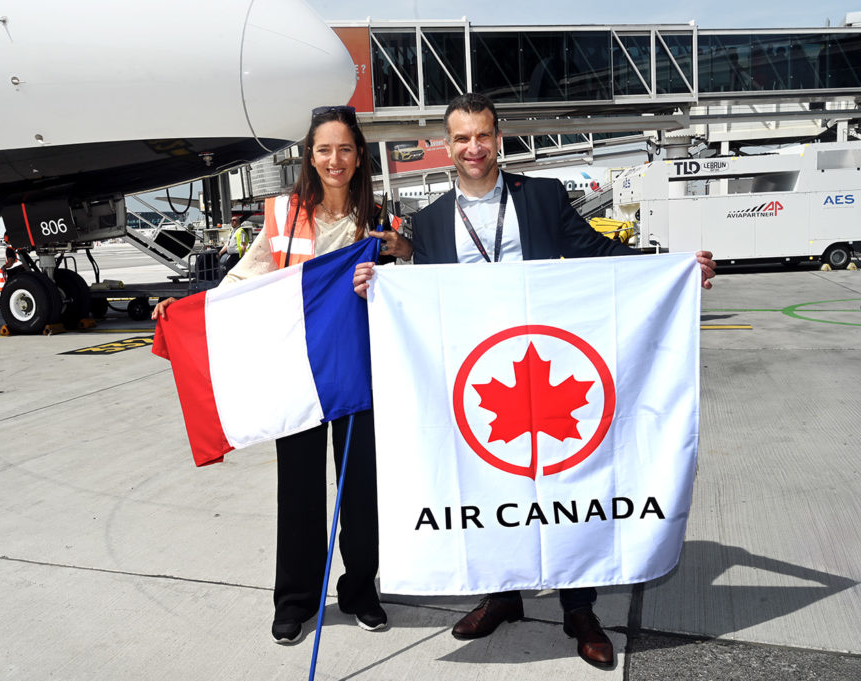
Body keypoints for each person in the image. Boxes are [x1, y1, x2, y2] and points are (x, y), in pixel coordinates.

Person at [353, 92, 715, 668]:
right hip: (481, 376)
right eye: (462, 138)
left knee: (567, 481)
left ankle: (579, 608)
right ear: (447, 145)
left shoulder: (542, 197)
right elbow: (427, 299)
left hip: (546, 360)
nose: (474, 148)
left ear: (500, 138)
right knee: (490, 484)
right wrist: (382, 283)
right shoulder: (430, 220)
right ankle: (503, 595)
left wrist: (672, 267)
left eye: (484, 135)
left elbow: (597, 253)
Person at [153, 105, 410, 645]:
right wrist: (186, 309)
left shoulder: (379, 220)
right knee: (298, 489)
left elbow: (406, 290)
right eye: (324, 150)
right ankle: (296, 598)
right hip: (298, 373)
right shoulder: (282, 216)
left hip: (360, 372)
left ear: (359, 156)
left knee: (360, 490)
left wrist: (395, 260)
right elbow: (242, 283)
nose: (334, 160)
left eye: (344, 149)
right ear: (309, 157)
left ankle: (361, 588)